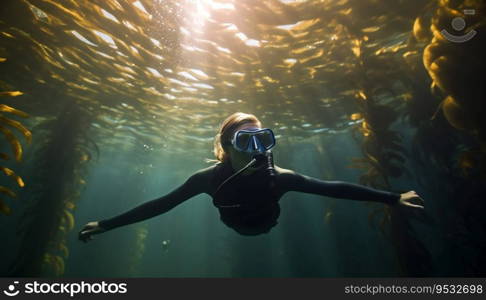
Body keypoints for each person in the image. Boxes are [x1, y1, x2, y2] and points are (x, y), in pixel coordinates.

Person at [79, 112, 424, 240]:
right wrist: (106, 224)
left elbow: (333, 189)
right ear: (227, 147)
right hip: (236, 226)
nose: (259, 149)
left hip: (267, 222)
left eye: (265, 139)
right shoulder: (208, 179)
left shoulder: (281, 177)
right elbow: (162, 204)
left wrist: (393, 198)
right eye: (248, 141)